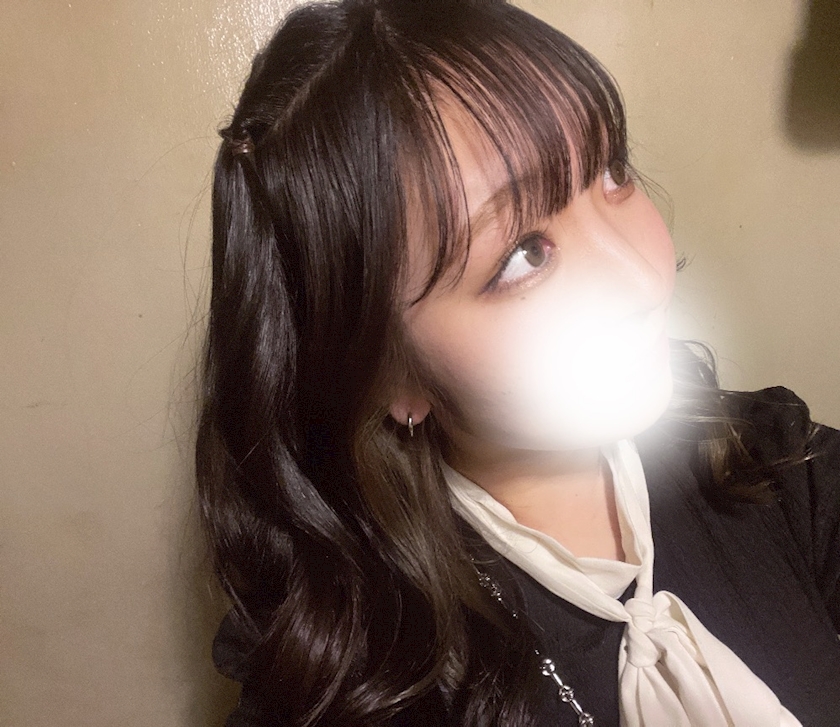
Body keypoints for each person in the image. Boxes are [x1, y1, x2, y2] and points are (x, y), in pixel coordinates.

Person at [195, 0, 840, 725]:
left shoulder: (772, 464)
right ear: (382, 374)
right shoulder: (359, 680)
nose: (640, 279)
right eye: (524, 254)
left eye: (611, 171)